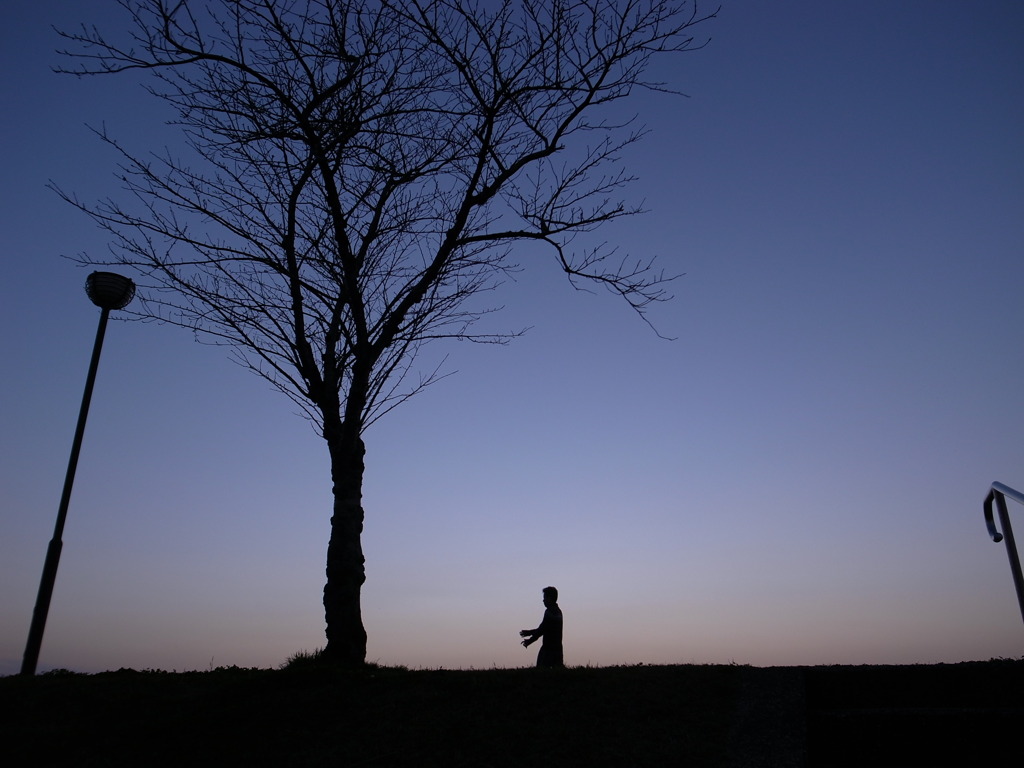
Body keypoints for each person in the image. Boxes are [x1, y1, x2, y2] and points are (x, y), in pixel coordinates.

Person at [519, 586, 564, 667]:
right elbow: (545, 628)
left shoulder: (549, 612)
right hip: (557, 649)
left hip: (548, 649)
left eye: (545, 598)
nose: (543, 600)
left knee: (542, 671)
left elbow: (542, 629)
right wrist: (530, 633)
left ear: (549, 598)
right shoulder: (558, 612)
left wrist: (530, 640)